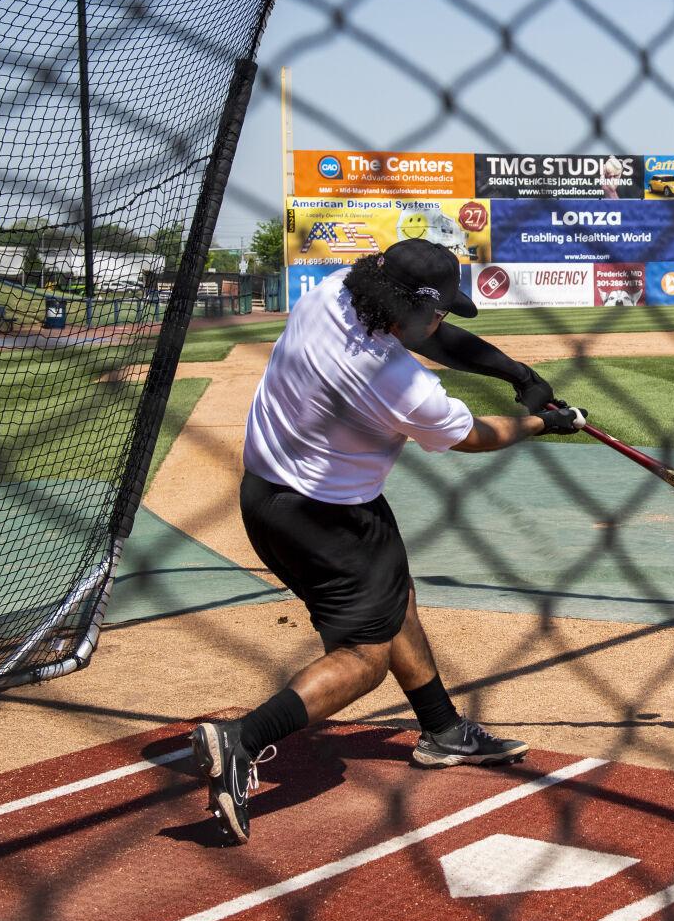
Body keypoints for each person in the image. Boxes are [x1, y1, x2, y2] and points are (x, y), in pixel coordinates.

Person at [189, 238, 585, 845]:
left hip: (269, 491)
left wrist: (512, 370)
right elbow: (471, 436)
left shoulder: (333, 296)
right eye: (439, 309)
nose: (442, 321)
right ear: (411, 310)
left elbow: (429, 336)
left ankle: (443, 729)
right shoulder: (395, 380)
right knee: (362, 659)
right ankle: (242, 739)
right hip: (330, 518)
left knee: (395, 600)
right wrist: (540, 421)